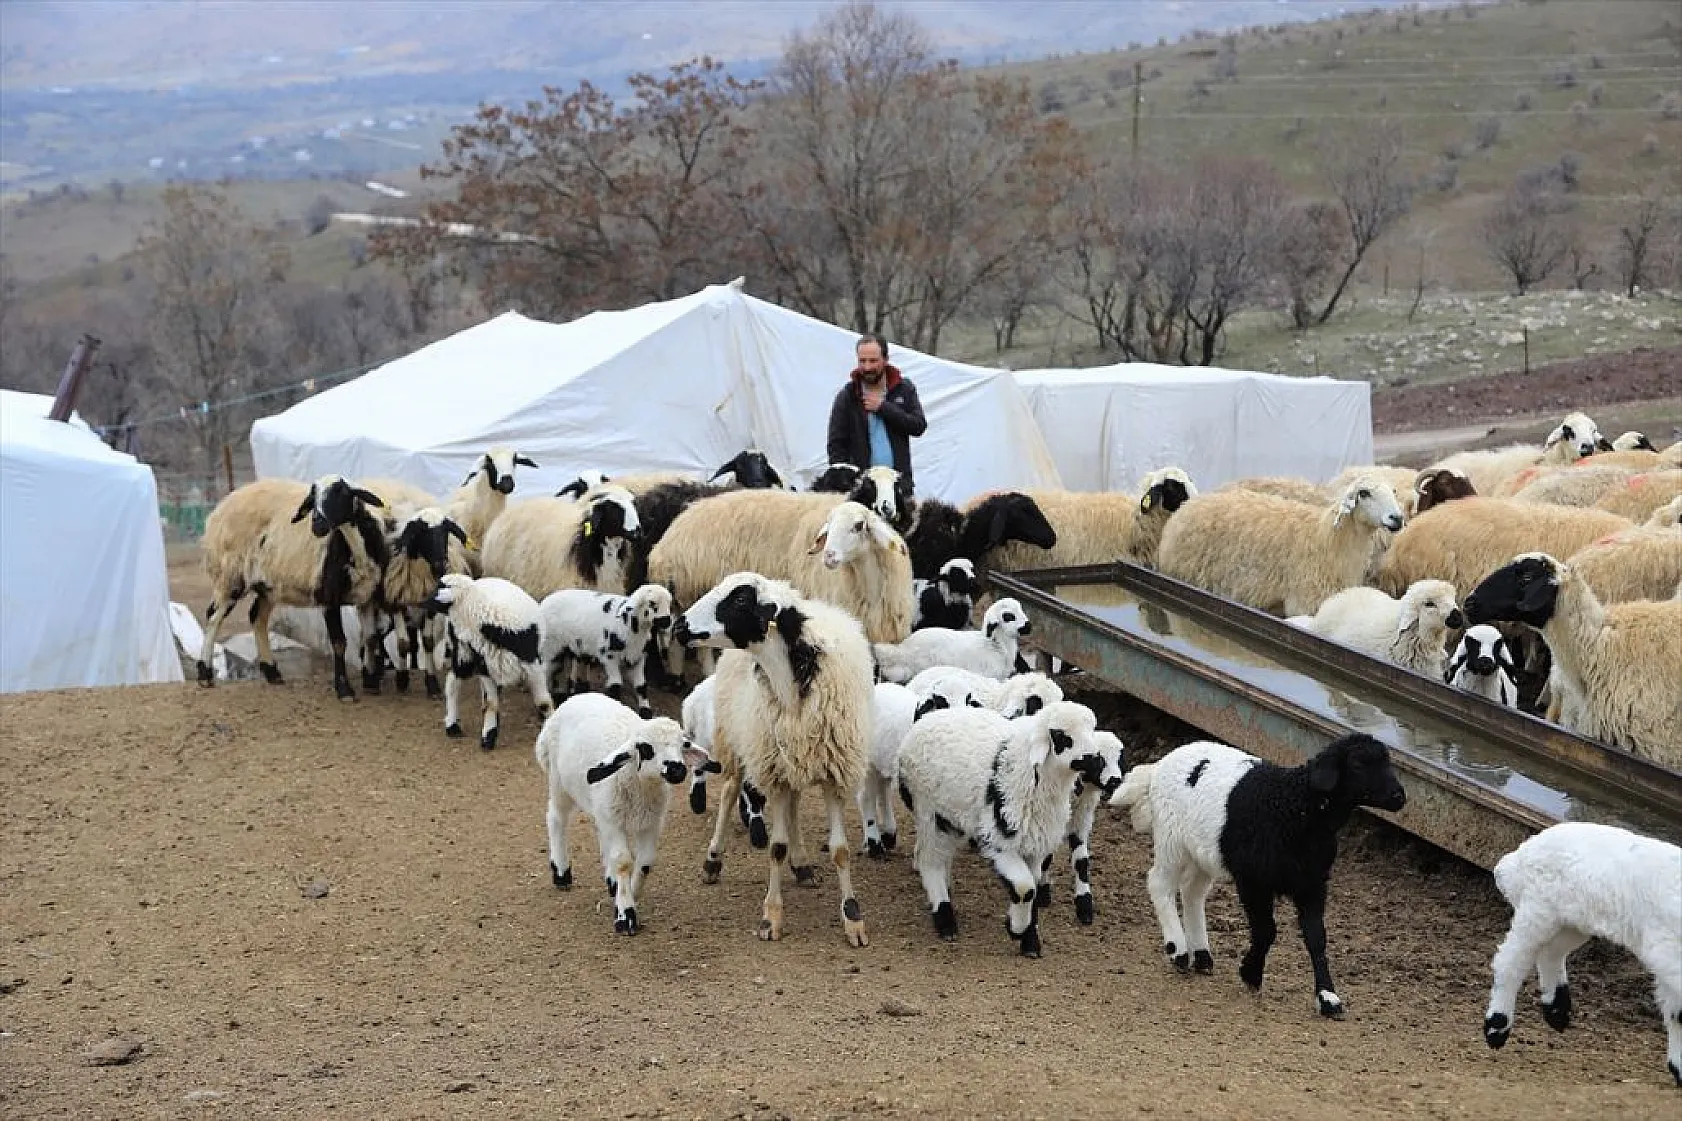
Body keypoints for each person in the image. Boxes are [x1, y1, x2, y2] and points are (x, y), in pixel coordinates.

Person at [826, 333, 927, 494]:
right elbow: (835, 445)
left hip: (899, 486)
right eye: (862, 361)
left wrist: (883, 408)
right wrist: (847, 482)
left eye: (873, 361)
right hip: (862, 489)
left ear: (885, 359)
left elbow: (918, 426)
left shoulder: (904, 388)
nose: (867, 367)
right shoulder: (848, 395)